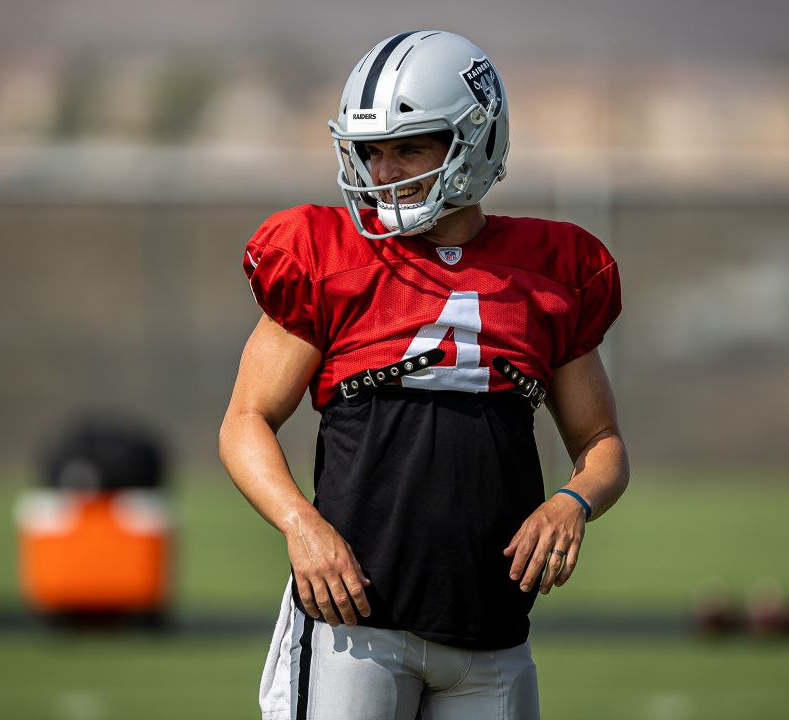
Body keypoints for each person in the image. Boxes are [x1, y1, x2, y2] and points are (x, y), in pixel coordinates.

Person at [219, 30, 629, 720]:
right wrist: (300, 524)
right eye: (372, 151)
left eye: (409, 147)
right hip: (357, 628)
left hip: (493, 635)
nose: (383, 173)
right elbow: (244, 420)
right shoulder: (327, 255)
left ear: (478, 140)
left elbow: (602, 440)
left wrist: (573, 502)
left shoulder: (553, 269)